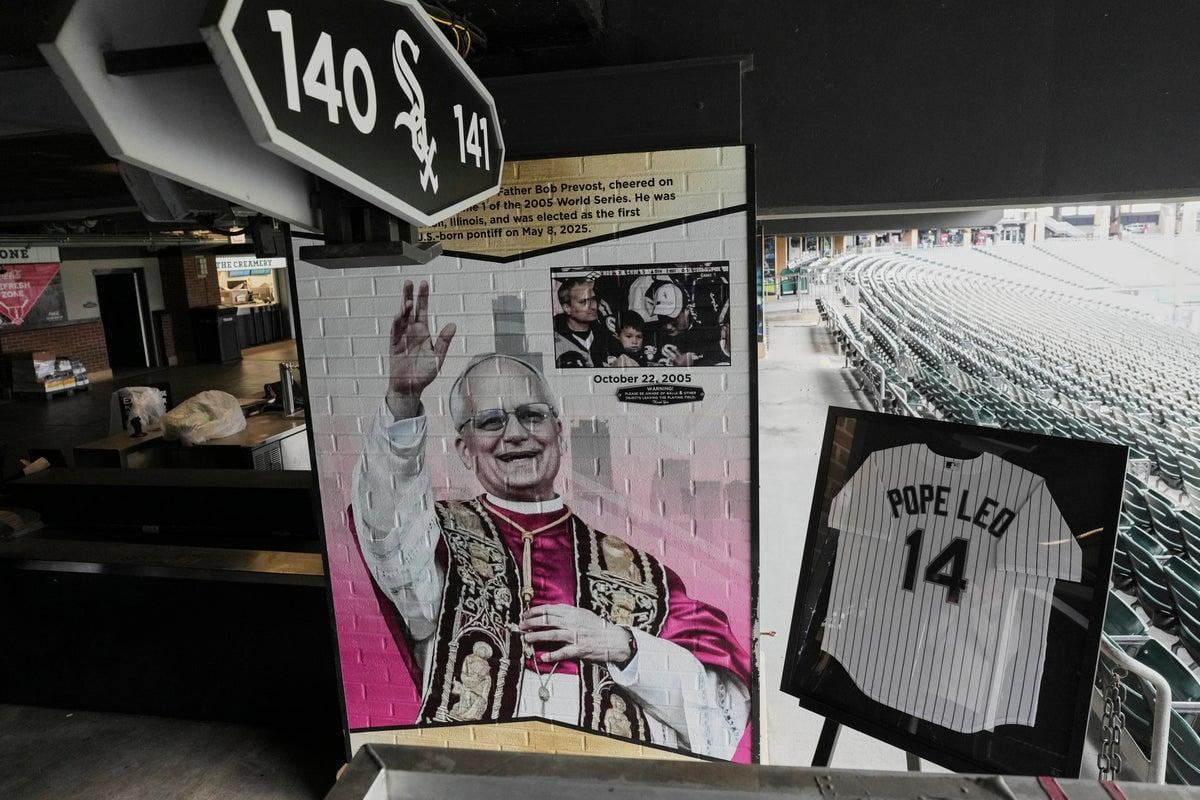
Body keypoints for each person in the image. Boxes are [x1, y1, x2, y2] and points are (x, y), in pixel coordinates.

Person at [351, 280, 751, 758]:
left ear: (559, 434)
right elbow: (388, 530)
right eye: (491, 421)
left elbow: (720, 715)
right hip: (474, 776)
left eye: (531, 416)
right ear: (464, 449)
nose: (515, 434)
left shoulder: (641, 573)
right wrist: (402, 400)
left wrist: (621, 645)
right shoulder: (436, 542)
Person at [553, 277, 608, 368]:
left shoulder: (606, 336)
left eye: (593, 299)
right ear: (567, 308)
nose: (593, 307)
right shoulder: (554, 342)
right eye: (583, 302)